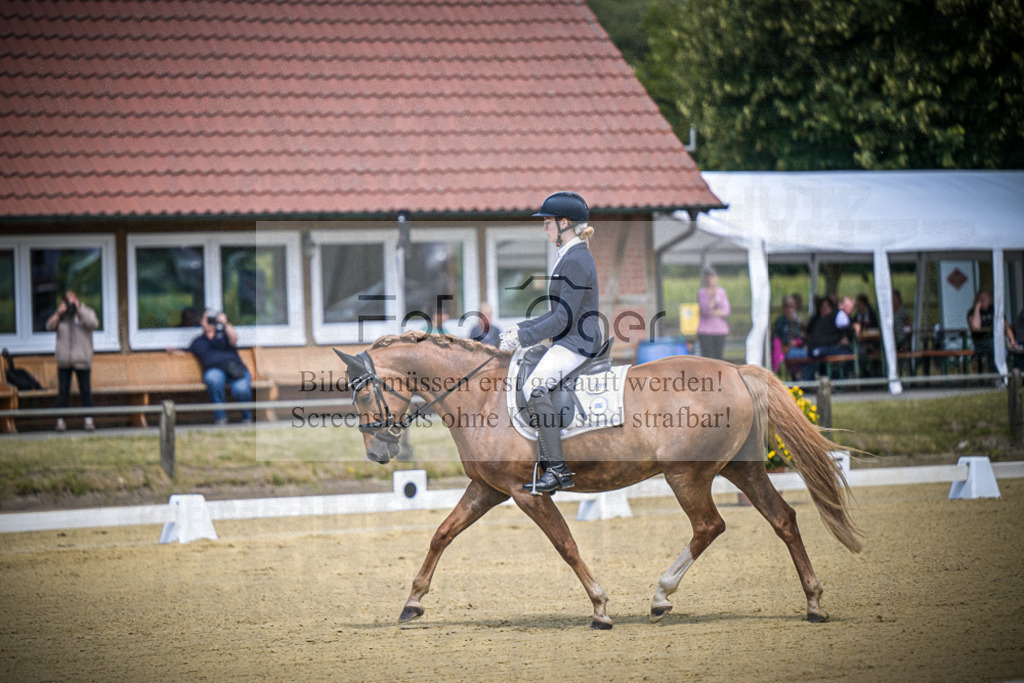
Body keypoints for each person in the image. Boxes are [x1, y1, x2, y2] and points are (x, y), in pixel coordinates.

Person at [499, 191, 600, 494]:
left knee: (534, 386)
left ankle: (557, 470)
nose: (544, 228)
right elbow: (555, 312)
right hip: (569, 336)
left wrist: (523, 337)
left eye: (547, 222)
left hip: (576, 341)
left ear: (564, 223)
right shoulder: (569, 255)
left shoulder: (576, 259)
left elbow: (562, 318)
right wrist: (521, 326)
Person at [185, 309, 252, 425]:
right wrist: (172, 351)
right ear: (201, 322)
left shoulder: (225, 334)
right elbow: (185, 353)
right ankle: (221, 418)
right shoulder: (198, 341)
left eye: (212, 319)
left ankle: (247, 418)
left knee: (241, 389)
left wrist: (225, 323)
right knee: (212, 378)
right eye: (207, 319)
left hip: (234, 368)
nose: (210, 322)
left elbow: (234, 338)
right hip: (215, 370)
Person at [45, 290, 98, 431]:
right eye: (68, 300)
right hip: (64, 360)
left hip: (82, 358)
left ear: (77, 299)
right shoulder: (61, 316)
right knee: (63, 390)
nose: (71, 303)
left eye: (73, 299)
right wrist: (58, 313)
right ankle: (61, 420)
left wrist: (79, 309)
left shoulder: (85, 311)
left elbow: (94, 323)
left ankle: (88, 420)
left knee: (85, 389)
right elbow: (49, 326)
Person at [805, 295, 854, 379]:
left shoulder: (837, 315)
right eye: (822, 307)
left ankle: (840, 379)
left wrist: (845, 338)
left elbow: (849, 330)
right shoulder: (817, 319)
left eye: (826, 307)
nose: (824, 309)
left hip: (827, 348)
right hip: (819, 349)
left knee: (848, 353)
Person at [696, 265, 730, 360]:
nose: (710, 279)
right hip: (706, 330)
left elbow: (726, 310)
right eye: (708, 277)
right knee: (707, 357)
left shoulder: (721, 292)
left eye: (712, 276)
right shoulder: (702, 292)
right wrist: (712, 298)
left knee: (718, 357)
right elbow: (706, 310)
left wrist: (714, 312)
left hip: (720, 330)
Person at [772, 295, 806, 378]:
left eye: (793, 306)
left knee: (813, 354)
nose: (791, 308)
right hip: (786, 350)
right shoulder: (780, 321)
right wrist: (789, 342)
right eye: (788, 306)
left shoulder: (798, 320)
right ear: (784, 307)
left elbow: (803, 335)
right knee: (809, 355)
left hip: (798, 348)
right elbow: (779, 336)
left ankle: (805, 379)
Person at [967, 290, 995, 373]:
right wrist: (977, 308)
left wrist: (1012, 340)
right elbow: (976, 327)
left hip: (995, 341)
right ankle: (997, 377)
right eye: (981, 299)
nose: (983, 300)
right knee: (995, 346)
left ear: (989, 299)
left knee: (1002, 349)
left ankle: (1002, 376)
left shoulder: (993, 309)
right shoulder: (971, 312)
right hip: (980, 343)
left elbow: (1004, 324)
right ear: (977, 300)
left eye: (985, 298)